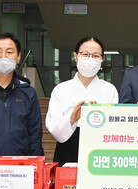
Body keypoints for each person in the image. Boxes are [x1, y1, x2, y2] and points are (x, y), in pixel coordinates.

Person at [45, 36, 118, 165]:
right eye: (85, 54)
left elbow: (113, 126)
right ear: (76, 56)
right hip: (67, 147)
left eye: (95, 56)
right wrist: (72, 118)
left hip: (99, 149)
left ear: (102, 59)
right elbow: (53, 127)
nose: (90, 59)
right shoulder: (60, 89)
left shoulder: (109, 90)